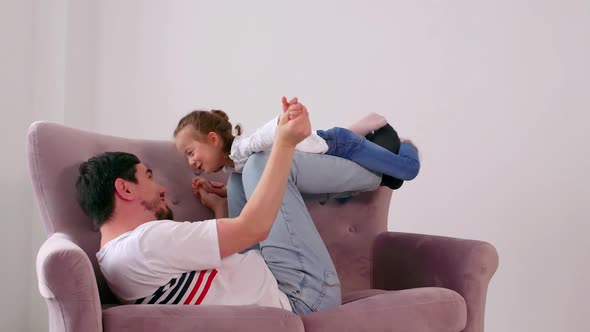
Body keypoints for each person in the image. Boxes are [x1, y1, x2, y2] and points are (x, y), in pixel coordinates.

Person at [75, 106, 383, 315]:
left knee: (238, 178)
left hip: (274, 282)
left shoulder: (125, 255)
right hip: (302, 296)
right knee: (261, 162)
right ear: (124, 188)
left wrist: (220, 207)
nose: (162, 189)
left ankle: (346, 150)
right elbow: (254, 227)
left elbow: (219, 278)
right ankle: (377, 176)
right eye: (149, 177)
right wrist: (285, 143)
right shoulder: (143, 245)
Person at [173, 97, 420, 195]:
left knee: (407, 171)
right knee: (392, 182)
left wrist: (286, 118)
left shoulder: (241, 148)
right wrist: (218, 192)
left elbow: (267, 133)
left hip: (341, 145)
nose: (191, 163)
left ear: (213, 139)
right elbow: (257, 191)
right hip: (325, 148)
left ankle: (406, 145)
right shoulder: (232, 167)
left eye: (191, 152)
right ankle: (364, 129)